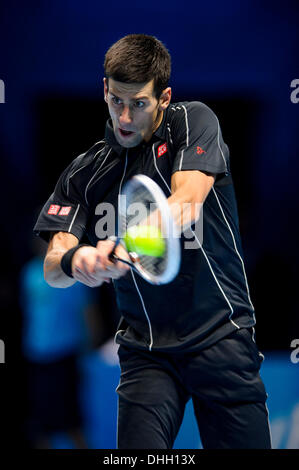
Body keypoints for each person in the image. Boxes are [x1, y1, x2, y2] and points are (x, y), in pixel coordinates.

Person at [33, 34, 272, 449]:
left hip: (222, 336)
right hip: (146, 350)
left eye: (139, 103)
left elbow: (186, 203)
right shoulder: (84, 172)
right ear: (104, 90)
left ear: (163, 98)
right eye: (116, 101)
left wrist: (128, 242)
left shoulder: (192, 122)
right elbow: (52, 265)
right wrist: (79, 260)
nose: (125, 116)